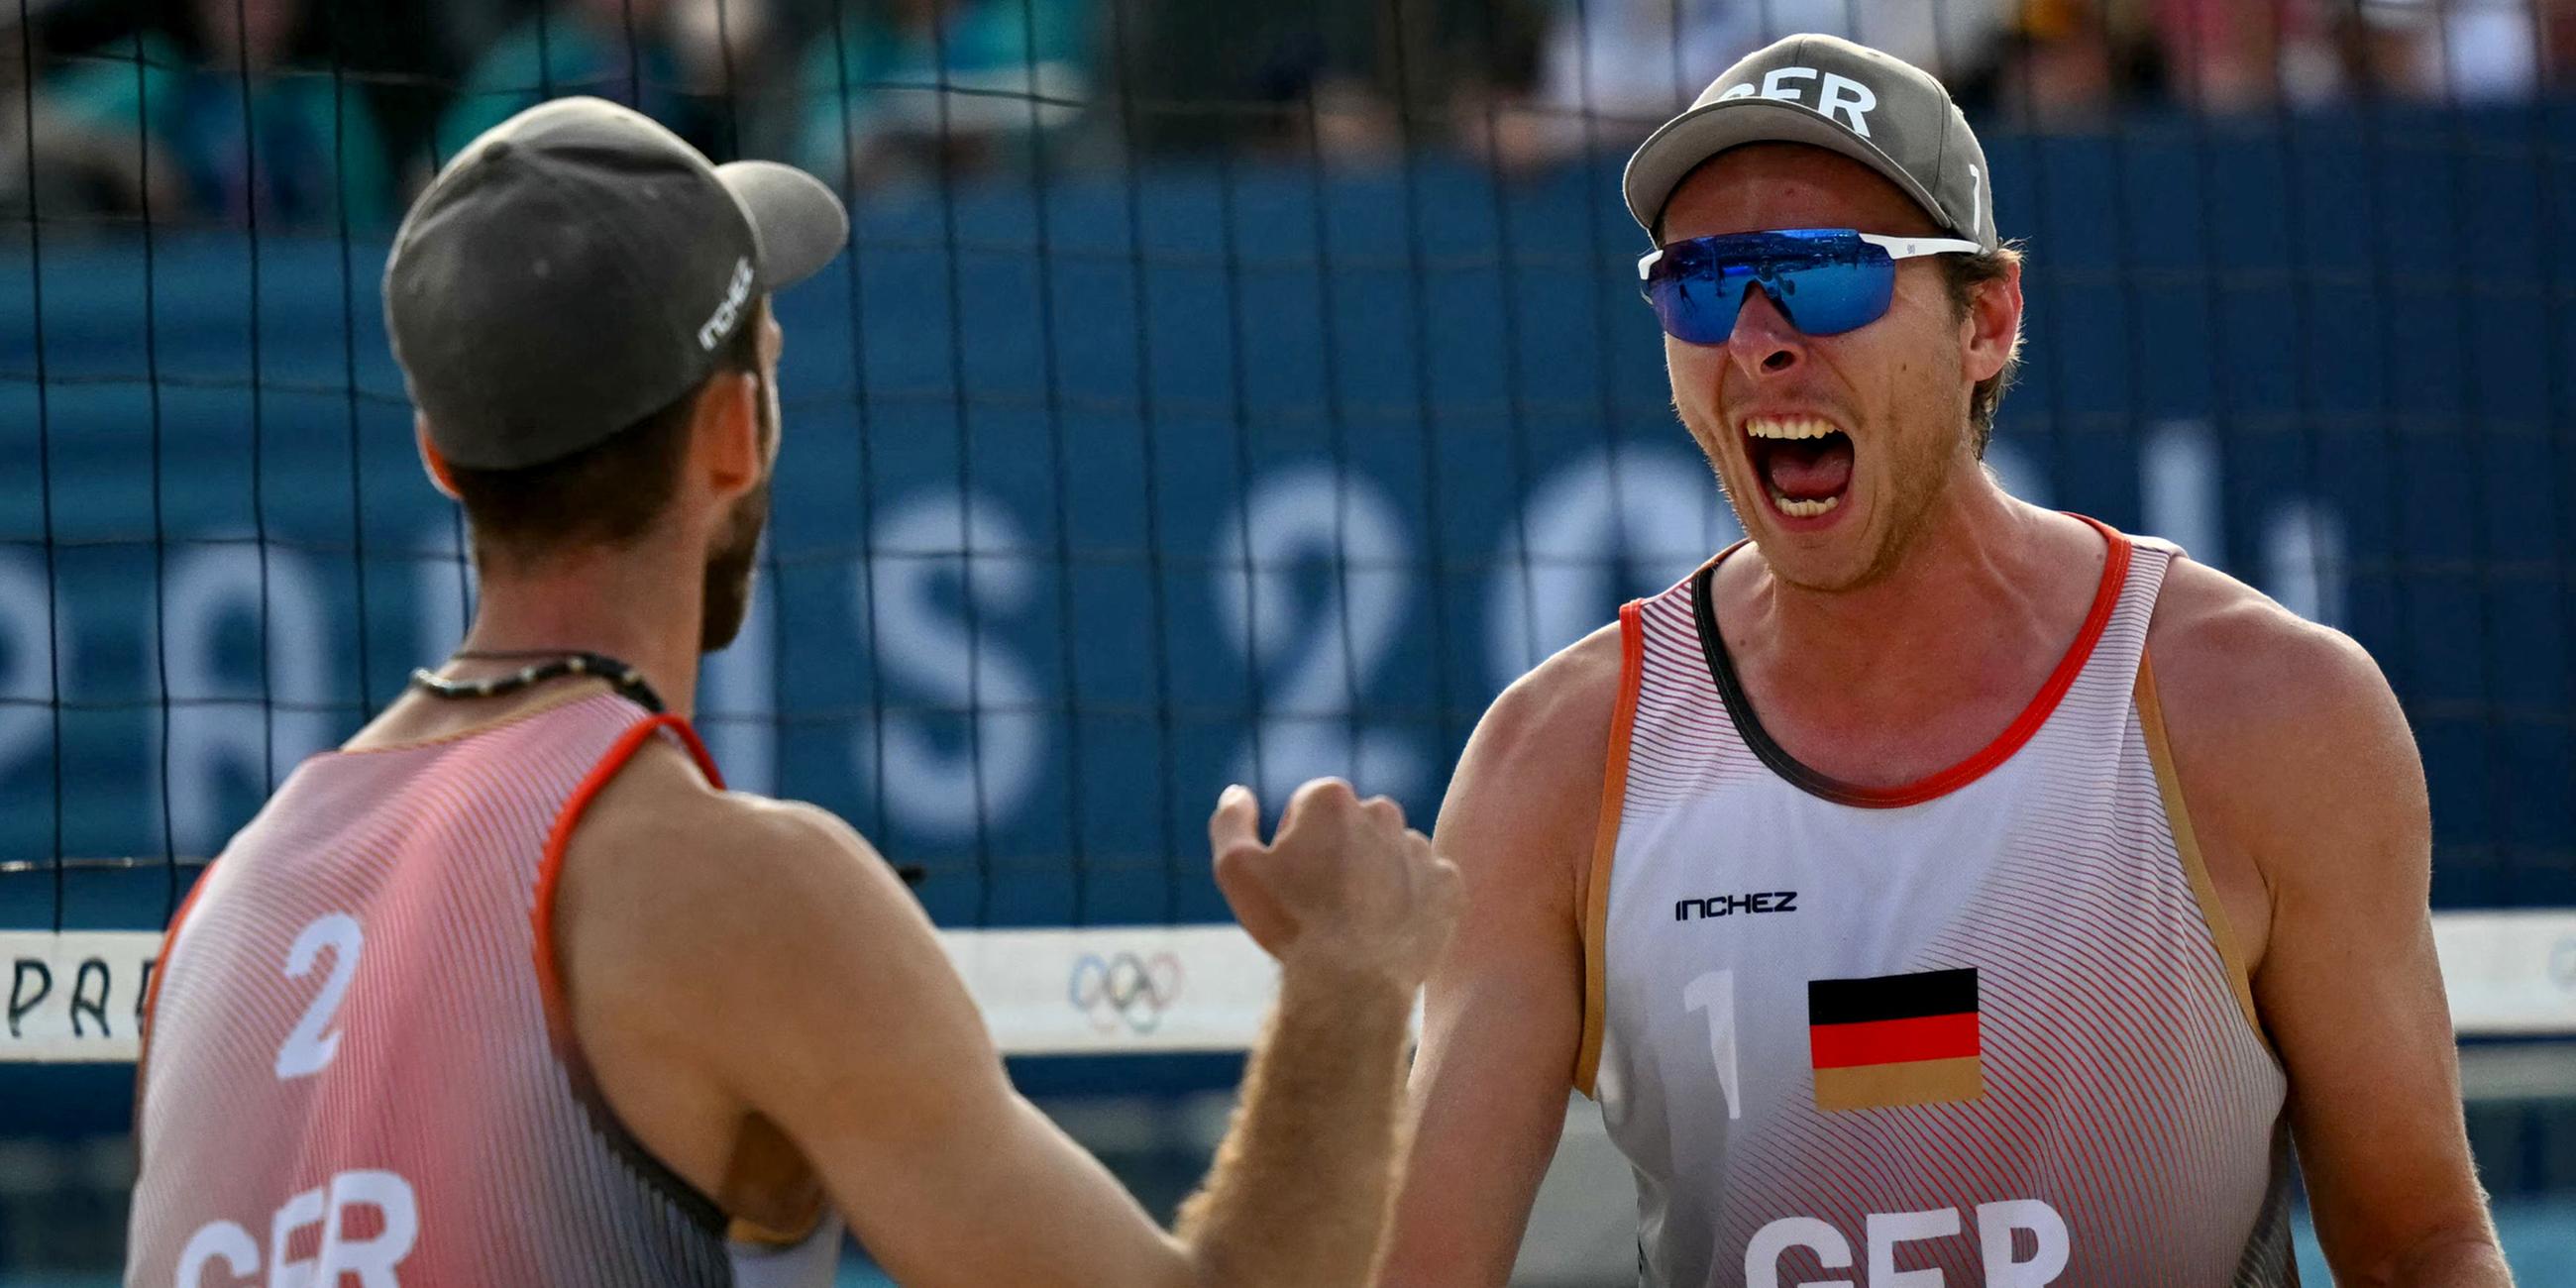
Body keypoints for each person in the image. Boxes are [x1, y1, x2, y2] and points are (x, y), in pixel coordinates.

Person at [124, 95, 1458, 1287]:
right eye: (767, 356)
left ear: (441, 459)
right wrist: (1350, 982)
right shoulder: (738, 891)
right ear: (731, 430)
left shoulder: (221, 914)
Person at [1381, 33, 2509, 1288]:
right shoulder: (1554, 762)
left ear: (1986, 320)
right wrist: (1332, 997)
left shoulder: (2264, 709)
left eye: (1819, 276)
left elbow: (2419, 1245)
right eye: (1700, 283)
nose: (1753, 339)